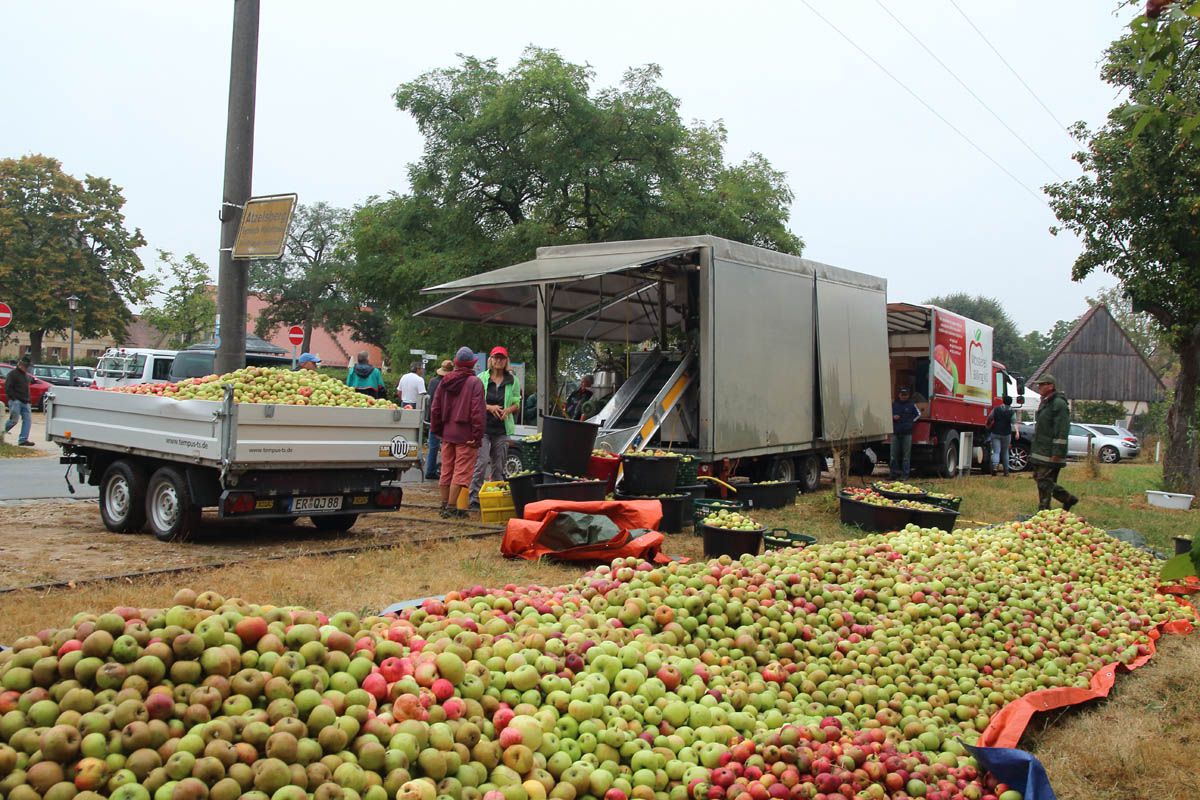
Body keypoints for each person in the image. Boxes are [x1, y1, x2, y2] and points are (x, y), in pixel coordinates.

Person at [430, 347, 485, 518]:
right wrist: (477, 436)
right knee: (461, 472)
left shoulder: (444, 381)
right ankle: (452, 508)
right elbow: (477, 412)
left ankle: (444, 504)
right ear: (472, 364)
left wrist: (438, 430)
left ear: (455, 363)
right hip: (466, 435)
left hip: (447, 433)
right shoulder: (475, 383)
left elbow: (435, 409)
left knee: (446, 470)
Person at [469, 346, 522, 508]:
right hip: (483, 426)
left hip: (502, 428)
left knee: (499, 465)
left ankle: (495, 498)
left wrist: (508, 410)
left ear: (506, 361)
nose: (498, 361)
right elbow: (474, 401)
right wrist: (490, 407)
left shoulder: (512, 380)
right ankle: (474, 499)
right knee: (482, 461)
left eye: (502, 358)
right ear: (490, 360)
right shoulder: (481, 378)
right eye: (495, 357)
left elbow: (516, 402)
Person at [1030, 374, 1078, 511]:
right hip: (1041, 450)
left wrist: (1057, 452)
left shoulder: (1058, 404)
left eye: (1042, 384)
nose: (1039, 387)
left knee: (1044, 481)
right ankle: (1066, 499)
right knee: (1042, 480)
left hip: (1050, 452)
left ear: (1050, 386)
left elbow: (1062, 430)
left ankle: (1044, 510)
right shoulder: (1046, 402)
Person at [423, 359, 453, 481]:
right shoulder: (448, 384)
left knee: (433, 446)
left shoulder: (432, 382)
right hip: (445, 419)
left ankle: (430, 470)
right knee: (447, 446)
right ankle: (445, 472)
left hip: (432, 417)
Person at [2, 355, 34, 446]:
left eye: (27, 367)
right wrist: (14, 398)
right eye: (26, 366)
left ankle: (23, 440)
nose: (27, 368)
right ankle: (1, 432)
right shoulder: (12, 374)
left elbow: (26, 389)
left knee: (27, 420)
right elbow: (8, 387)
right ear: (21, 365)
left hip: (25, 401)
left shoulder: (25, 376)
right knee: (13, 421)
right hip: (16, 401)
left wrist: (29, 400)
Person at [889, 386, 920, 479]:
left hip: (907, 433)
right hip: (895, 432)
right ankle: (893, 474)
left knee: (906, 456)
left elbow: (918, 414)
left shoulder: (911, 405)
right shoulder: (894, 404)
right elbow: (888, 414)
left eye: (905, 395)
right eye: (902, 395)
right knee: (893, 455)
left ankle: (905, 475)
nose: (904, 396)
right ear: (899, 395)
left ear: (908, 395)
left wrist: (910, 422)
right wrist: (893, 418)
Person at [987, 395, 1016, 476]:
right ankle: (1006, 471)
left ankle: (995, 467)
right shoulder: (1012, 412)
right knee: (1005, 451)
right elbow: (1014, 422)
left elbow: (990, 417)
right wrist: (1017, 432)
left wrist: (988, 424)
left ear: (1003, 401)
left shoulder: (996, 409)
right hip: (1006, 433)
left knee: (996, 451)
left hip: (995, 432)